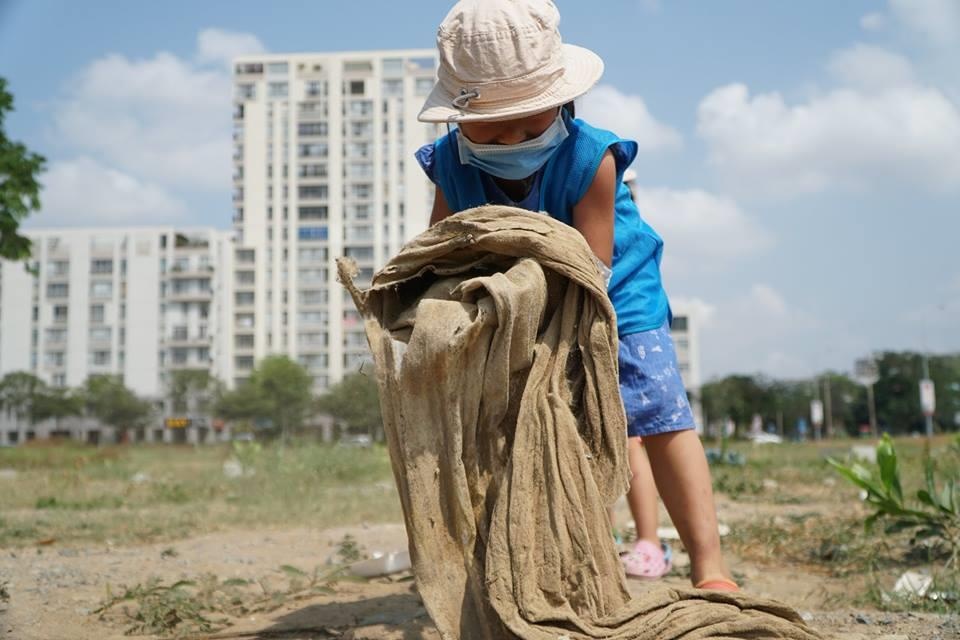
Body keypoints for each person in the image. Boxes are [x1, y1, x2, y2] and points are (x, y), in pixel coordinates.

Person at [415, 0, 736, 591]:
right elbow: (443, 249)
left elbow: (592, 262)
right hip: (513, 304)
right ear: (458, 118)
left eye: (529, 120)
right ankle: (538, 557)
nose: (512, 134)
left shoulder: (593, 157)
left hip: (614, 296)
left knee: (659, 416)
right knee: (521, 427)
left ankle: (709, 565)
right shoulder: (450, 167)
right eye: (492, 123)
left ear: (563, 103)